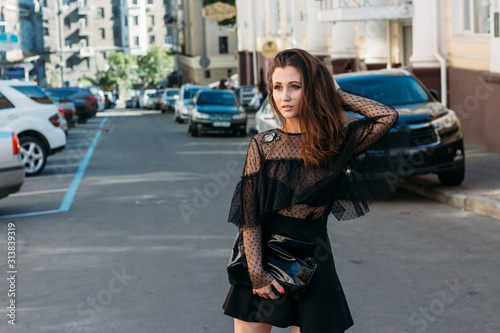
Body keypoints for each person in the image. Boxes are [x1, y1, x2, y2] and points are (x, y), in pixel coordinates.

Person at [222, 48, 400, 332]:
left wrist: (334, 93)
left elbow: (386, 116)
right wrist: (257, 272)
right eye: (278, 87)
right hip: (262, 255)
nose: (285, 97)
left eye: (296, 87)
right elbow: (250, 214)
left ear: (312, 90)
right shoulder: (262, 144)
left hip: (314, 258)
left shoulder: (336, 142)